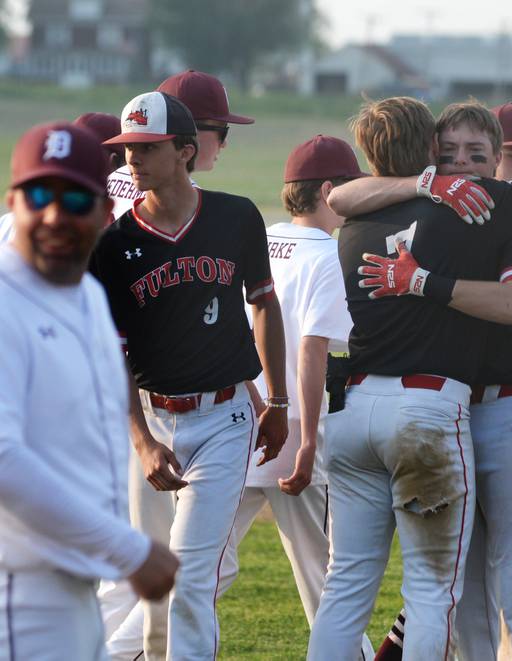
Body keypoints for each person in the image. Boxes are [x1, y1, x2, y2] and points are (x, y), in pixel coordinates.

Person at [330, 100, 512, 660]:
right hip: (451, 412)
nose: (462, 163)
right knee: (466, 589)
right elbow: (341, 196)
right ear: (430, 153)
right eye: (449, 151)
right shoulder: (433, 203)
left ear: (497, 160)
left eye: (477, 153)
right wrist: (429, 183)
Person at [90, 91, 288, 660]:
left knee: (191, 576)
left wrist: (276, 402)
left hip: (225, 419)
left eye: (147, 148)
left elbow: (263, 304)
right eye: (127, 148)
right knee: (147, 577)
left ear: (184, 150)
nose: (133, 160)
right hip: (151, 418)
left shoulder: (235, 217)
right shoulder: (116, 244)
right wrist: (142, 441)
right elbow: (113, 355)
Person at [0, 121, 178, 660]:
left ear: (106, 214)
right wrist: (128, 550)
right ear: (15, 202)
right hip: (18, 597)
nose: (56, 214)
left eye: (75, 197)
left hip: (73, 597)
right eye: (40, 194)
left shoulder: (86, 299)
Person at [211, 134, 374, 660]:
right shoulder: (332, 253)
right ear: (328, 190)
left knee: (200, 566)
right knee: (327, 580)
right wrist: (307, 442)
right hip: (296, 426)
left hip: (239, 420)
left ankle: (133, 646)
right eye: (351, 187)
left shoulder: (259, 237)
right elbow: (312, 349)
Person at [106, 69, 253, 218]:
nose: (224, 143)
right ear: (191, 132)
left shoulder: (114, 178)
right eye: (222, 132)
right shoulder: (187, 205)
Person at [0, 112, 122, 246]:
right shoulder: (114, 230)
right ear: (114, 162)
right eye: (38, 196)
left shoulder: (5, 223)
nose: (54, 218)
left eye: (75, 199)